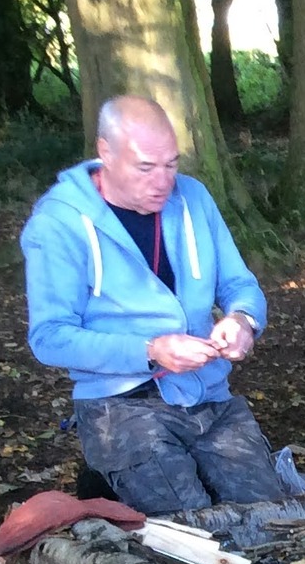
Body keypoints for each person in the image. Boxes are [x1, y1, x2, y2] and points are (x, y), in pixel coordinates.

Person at [21, 95, 284, 515]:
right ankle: (107, 481)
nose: (163, 181)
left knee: (272, 518)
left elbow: (239, 284)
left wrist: (243, 319)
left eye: (171, 164)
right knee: (191, 532)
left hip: (207, 395)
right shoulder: (59, 223)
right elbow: (49, 338)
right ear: (105, 152)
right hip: (120, 405)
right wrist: (151, 350)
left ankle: (115, 484)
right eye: (145, 167)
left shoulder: (193, 198)